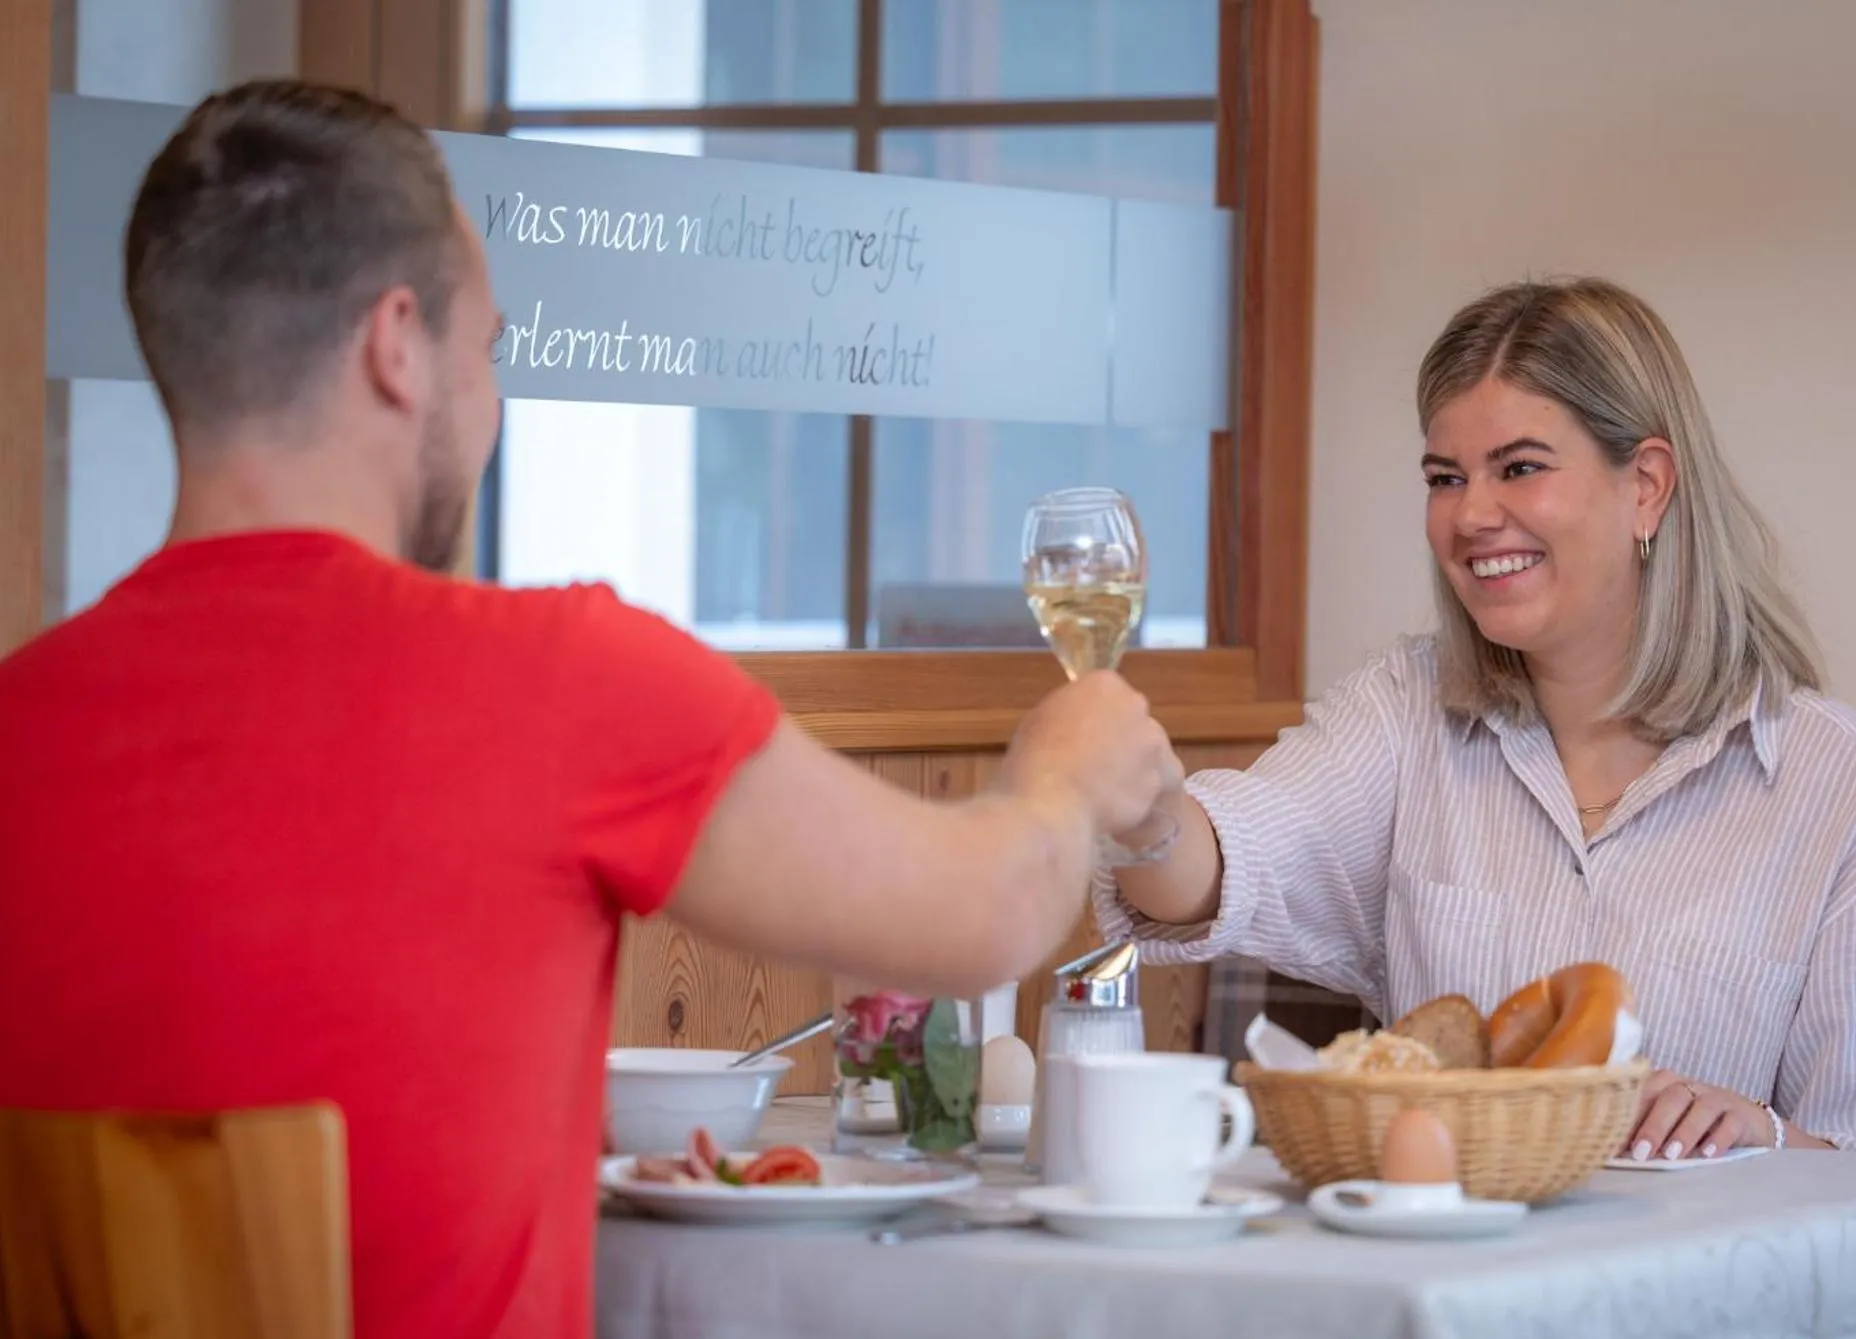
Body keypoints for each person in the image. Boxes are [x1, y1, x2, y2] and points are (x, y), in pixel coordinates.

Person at [0, 81, 1182, 1339]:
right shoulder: (556, 680)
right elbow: (979, 917)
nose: (491, 403)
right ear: (396, 346)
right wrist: (1066, 769)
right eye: (488, 347)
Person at [1100, 277, 1856, 1161]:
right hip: (1449, 1245)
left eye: (1519, 467)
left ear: (1646, 486)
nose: (1470, 515)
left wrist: (1759, 1133)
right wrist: (1144, 811)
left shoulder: (1835, 779)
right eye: (1445, 478)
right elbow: (1217, 867)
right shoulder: (1402, 711)